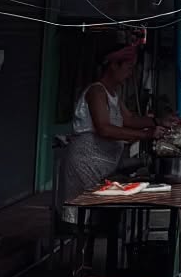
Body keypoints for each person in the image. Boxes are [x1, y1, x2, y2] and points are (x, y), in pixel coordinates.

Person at [60, 43, 156, 204]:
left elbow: (130, 119)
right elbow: (104, 128)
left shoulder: (113, 94)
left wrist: (157, 121)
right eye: (128, 67)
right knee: (83, 207)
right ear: (113, 65)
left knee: (97, 209)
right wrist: (146, 134)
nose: (130, 73)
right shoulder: (96, 91)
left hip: (103, 165)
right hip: (86, 163)